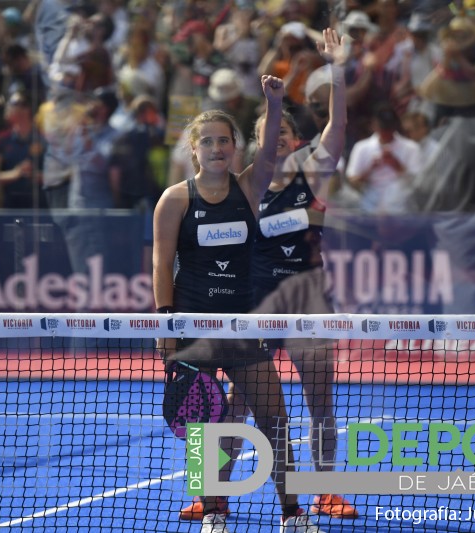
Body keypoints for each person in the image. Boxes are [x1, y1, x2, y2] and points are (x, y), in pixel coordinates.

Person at [154, 75, 324, 533]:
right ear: (194, 150)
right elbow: (160, 265)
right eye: (206, 141)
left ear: (233, 147)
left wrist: (272, 101)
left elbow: (269, 151)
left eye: (224, 141)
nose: (216, 148)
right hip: (194, 329)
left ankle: (293, 513)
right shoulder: (175, 199)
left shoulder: (248, 190)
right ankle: (212, 510)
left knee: (274, 418)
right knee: (202, 427)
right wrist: (167, 333)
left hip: (242, 327)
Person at [230, 27, 358, 522]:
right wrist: (272, 104)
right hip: (256, 305)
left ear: (297, 140)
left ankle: (325, 489)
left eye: (282, 130)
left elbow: (340, 129)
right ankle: (213, 493)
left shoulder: (312, 174)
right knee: (236, 405)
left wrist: (338, 70)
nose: (275, 137)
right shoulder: (245, 186)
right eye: (268, 130)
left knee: (319, 402)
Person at [345, 102, 423, 214]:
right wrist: (370, 169)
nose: (386, 133)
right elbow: (353, 181)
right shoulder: (361, 147)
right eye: (383, 128)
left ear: (395, 126)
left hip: (401, 207)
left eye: (389, 128)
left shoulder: (411, 148)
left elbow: (418, 183)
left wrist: (397, 165)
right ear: (374, 126)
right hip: (369, 206)